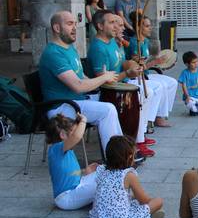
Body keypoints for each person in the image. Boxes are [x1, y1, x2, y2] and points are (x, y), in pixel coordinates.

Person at [39, 11, 122, 153]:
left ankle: (124, 147)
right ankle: (115, 158)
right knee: (108, 110)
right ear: (57, 28)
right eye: (70, 24)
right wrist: (104, 77)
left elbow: (81, 76)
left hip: (74, 101)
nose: (74, 28)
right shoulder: (53, 53)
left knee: (117, 99)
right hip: (61, 107)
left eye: (75, 24)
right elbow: (77, 86)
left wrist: (96, 81)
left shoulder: (69, 47)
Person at [88, 10, 162, 158]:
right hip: (108, 92)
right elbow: (104, 81)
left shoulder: (112, 42)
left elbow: (123, 63)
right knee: (143, 94)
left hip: (120, 84)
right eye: (112, 23)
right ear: (100, 26)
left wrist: (133, 65)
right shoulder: (98, 47)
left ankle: (139, 134)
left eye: (117, 23)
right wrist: (128, 74)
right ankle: (135, 140)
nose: (116, 26)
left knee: (152, 90)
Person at [82, 135, 164, 218]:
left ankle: (147, 216)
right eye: (134, 155)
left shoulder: (102, 170)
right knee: (158, 201)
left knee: (131, 198)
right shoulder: (128, 175)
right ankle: (147, 216)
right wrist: (151, 201)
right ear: (130, 157)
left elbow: (90, 171)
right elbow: (144, 200)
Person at [126, 14, 178, 128]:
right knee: (161, 85)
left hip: (146, 74)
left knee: (172, 82)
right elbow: (138, 66)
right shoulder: (135, 43)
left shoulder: (145, 41)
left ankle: (161, 114)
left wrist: (164, 63)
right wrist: (156, 62)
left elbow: (146, 62)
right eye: (147, 26)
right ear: (139, 27)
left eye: (150, 26)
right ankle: (156, 118)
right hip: (137, 77)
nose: (150, 28)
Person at [46, 113, 99, 210]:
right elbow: (76, 137)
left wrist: (84, 171)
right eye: (74, 131)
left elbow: (69, 173)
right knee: (104, 182)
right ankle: (113, 201)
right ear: (62, 134)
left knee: (103, 173)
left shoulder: (65, 151)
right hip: (66, 198)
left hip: (75, 189)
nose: (78, 134)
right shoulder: (56, 149)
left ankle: (114, 198)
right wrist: (83, 121)